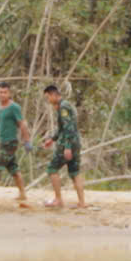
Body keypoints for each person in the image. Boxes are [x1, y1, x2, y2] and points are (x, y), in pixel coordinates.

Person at [38, 83, 86, 211]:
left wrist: (67, 147)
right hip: (75, 143)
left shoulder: (63, 107)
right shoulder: (65, 105)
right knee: (75, 172)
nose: (48, 100)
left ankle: (58, 199)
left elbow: (68, 128)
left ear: (54, 95)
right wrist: (52, 139)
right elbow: (62, 128)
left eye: (48, 97)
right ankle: (82, 202)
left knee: (52, 169)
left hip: (67, 144)